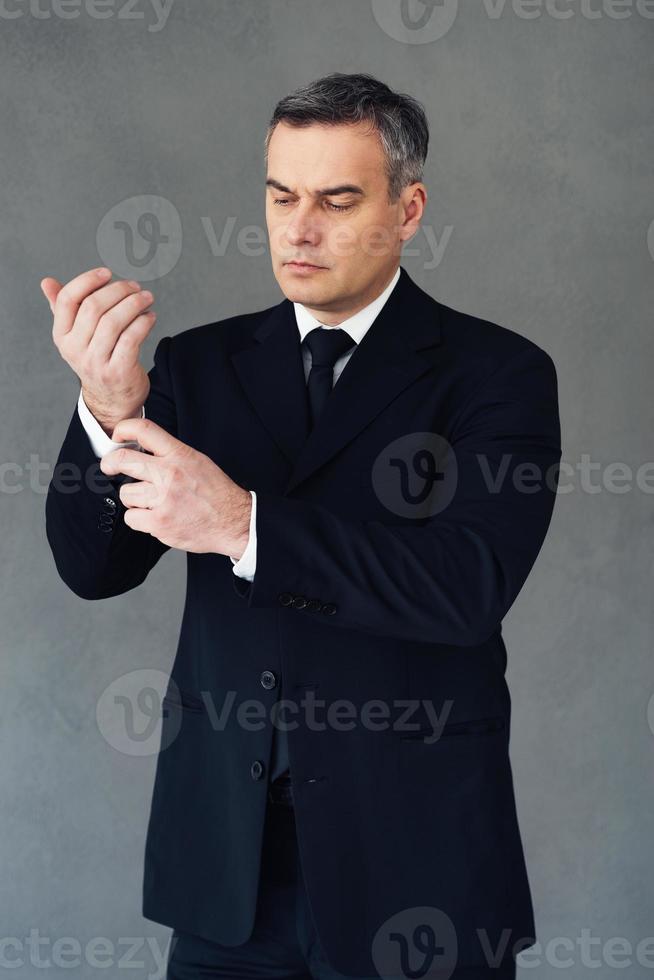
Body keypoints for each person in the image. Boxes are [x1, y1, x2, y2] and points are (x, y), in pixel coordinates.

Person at [43, 72, 561, 980]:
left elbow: (465, 587)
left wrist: (244, 525)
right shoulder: (198, 364)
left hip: (415, 870)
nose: (299, 229)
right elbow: (94, 568)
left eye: (337, 199)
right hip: (228, 873)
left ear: (409, 209)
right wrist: (106, 406)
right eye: (281, 196)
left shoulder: (499, 373)